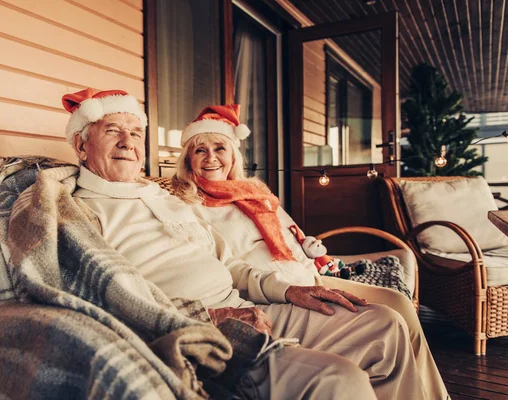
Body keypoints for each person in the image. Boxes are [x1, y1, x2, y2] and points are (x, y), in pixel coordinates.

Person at [62, 88, 424, 400]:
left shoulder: (162, 196)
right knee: (339, 380)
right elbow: (106, 298)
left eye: (136, 133)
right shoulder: (79, 211)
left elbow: (229, 263)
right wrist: (208, 316)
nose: (128, 143)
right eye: (112, 131)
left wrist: (289, 290)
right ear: (81, 144)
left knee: (385, 325)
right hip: (203, 327)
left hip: (252, 303)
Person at [172, 103, 450, 400]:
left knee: (399, 303)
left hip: (307, 275)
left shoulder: (253, 192)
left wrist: (314, 255)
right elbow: (224, 266)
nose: (211, 158)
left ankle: (435, 396)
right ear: (189, 159)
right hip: (276, 289)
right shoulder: (187, 204)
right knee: (387, 319)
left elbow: (293, 235)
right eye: (200, 150)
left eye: (219, 148)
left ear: (233, 155)